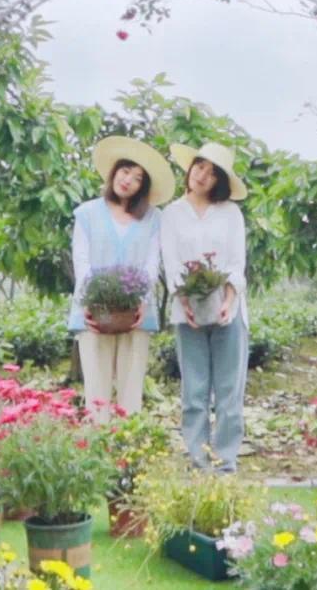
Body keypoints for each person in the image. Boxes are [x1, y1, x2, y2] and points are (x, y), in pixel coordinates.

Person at [69, 135, 175, 423]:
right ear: (114, 172)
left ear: (144, 187)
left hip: (137, 315)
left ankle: (129, 455)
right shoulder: (87, 214)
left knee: (131, 391)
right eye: (125, 170)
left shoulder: (153, 218)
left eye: (138, 178)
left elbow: (152, 262)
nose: (128, 180)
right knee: (97, 394)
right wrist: (90, 303)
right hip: (93, 313)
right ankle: (97, 454)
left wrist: (142, 300)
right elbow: (82, 262)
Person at [160, 141, 249, 472]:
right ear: (190, 168)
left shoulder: (230, 214)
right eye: (199, 167)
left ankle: (225, 464)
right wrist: (184, 302)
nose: (202, 176)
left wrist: (227, 301)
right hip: (188, 315)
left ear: (219, 182)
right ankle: (199, 463)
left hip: (230, 313)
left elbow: (237, 264)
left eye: (212, 173)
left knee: (229, 395)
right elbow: (170, 264)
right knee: (194, 393)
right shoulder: (171, 214)